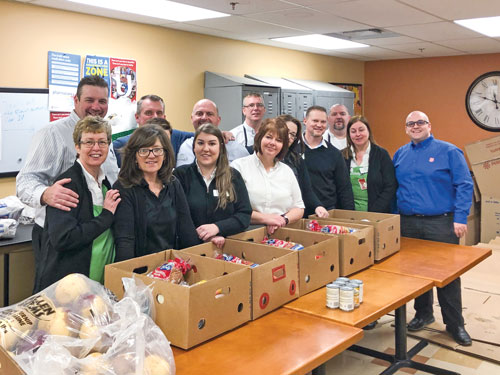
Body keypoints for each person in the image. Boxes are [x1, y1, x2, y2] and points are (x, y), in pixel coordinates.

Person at [17, 75, 119, 293]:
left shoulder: (102, 133)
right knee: (60, 301)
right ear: (76, 100)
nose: (96, 106)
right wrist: (46, 194)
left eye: (102, 101)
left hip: (97, 235)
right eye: (89, 100)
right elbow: (25, 181)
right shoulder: (52, 133)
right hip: (61, 237)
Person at [394, 110, 474, 346]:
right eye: (411, 123)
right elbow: (393, 187)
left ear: (429, 125)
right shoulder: (400, 154)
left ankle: (455, 324)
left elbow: (464, 184)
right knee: (416, 274)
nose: (416, 126)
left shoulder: (449, 151)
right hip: (407, 222)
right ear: (406, 128)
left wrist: (460, 218)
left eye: (420, 122)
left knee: (447, 275)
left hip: (441, 222)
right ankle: (423, 314)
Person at [36, 116, 121, 291]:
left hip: (96, 288)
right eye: (89, 142)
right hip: (68, 289)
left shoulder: (105, 183)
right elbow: (64, 238)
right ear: (77, 146)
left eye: (102, 142)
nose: (96, 148)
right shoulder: (67, 185)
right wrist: (106, 216)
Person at [113, 124, 200, 261]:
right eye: (144, 150)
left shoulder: (173, 183)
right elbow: (125, 240)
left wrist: (198, 264)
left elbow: (186, 229)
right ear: (134, 156)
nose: (151, 155)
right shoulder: (124, 187)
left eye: (157, 150)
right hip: (140, 270)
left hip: (172, 268)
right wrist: (125, 277)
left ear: (165, 154)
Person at [174, 124, 252, 246]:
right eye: (200, 143)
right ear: (194, 147)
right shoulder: (180, 176)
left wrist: (217, 228)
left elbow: (244, 215)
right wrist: (204, 238)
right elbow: (179, 217)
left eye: (212, 144)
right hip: (189, 249)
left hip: (227, 248)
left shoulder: (233, 176)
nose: (206, 149)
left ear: (220, 147)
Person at [232, 117, 304, 234]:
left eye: (279, 140)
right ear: (259, 138)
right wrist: (268, 219)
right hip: (247, 233)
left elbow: (299, 207)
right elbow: (233, 208)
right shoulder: (239, 167)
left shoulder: (287, 171)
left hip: (281, 231)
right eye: (268, 137)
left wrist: (283, 220)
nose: (272, 143)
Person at [113, 94, 192, 166]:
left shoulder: (177, 137)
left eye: (159, 113)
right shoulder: (120, 145)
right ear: (137, 117)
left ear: (164, 117)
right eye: (148, 113)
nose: (155, 117)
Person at [302, 106, 354, 211]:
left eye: (323, 122)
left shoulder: (334, 154)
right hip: (298, 214)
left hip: (326, 214)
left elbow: (344, 189)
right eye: (315, 121)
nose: (319, 125)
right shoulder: (292, 150)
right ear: (305, 121)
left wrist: (350, 216)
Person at [342, 115, 397, 213]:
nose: (358, 134)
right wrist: (348, 212)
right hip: (349, 214)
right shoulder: (341, 156)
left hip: (377, 213)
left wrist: (374, 212)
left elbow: (390, 186)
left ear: (368, 131)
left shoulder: (381, 154)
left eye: (361, 130)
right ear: (349, 134)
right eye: (353, 131)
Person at [279, 114, 329, 218]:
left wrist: (318, 206)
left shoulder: (296, 159)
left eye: (293, 134)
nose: (289, 137)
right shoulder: (260, 155)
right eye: (286, 131)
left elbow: (306, 190)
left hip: (291, 215)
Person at [176, 99, 249, 167]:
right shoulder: (186, 146)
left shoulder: (236, 149)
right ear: (192, 118)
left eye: (209, 114)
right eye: (199, 113)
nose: (204, 118)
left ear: (218, 120)